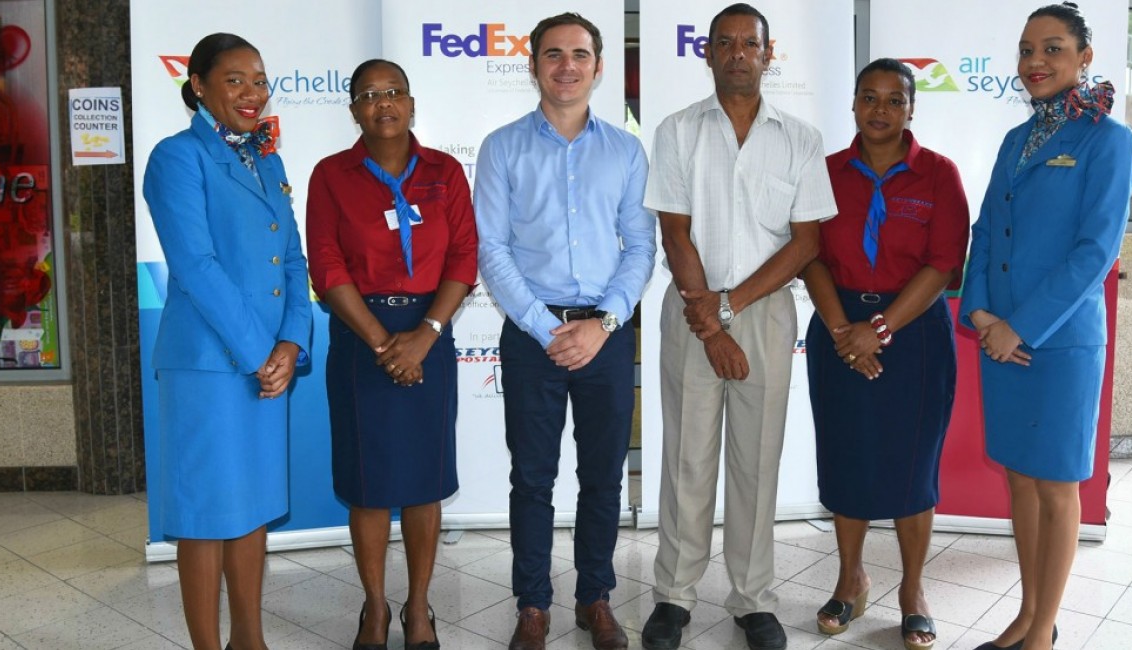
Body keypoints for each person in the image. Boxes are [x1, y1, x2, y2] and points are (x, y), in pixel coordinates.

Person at [642, 4, 836, 650]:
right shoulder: (677, 130)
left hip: (764, 313)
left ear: (767, 52)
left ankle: (753, 598)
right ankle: (673, 595)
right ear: (709, 54)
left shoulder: (800, 138)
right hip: (692, 310)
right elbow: (674, 230)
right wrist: (710, 317)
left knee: (757, 462)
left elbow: (806, 242)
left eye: (747, 44)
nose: (736, 54)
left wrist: (729, 309)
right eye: (723, 44)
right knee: (687, 461)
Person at [959, 4, 1132, 650]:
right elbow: (983, 232)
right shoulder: (1016, 141)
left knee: (1058, 488)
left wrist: (1020, 328)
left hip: (1057, 346)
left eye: (1053, 49)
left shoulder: (1109, 142)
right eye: (1027, 50)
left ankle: (1041, 635)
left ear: (1084, 58)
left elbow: (1095, 253)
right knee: (1020, 479)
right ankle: (1031, 613)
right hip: (998, 338)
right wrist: (980, 312)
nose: (1035, 62)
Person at [473, 13, 655, 650]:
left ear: (599, 67)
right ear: (534, 65)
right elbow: (491, 250)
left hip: (606, 336)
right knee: (533, 478)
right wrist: (547, 327)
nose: (567, 66)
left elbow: (639, 246)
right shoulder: (502, 147)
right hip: (533, 336)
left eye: (580, 54)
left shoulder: (626, 150)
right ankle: (533, 605)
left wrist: (602, 324)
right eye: (554, 54)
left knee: (604, 475)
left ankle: (595, 597)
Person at [141, 32, 312, 650]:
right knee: (207, 515)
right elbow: (195, 264)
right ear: (199, 86)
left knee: (254, 506)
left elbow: (293, 260)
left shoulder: (268, 160)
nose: (251, 92)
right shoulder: (176, 157)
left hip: (268, 364)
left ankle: (250, 639)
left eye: (260, 80)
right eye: (235, 79)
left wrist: (292, 344)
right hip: (209, 367)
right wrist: (261, 351)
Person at [306, 58, 477, 650]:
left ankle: (420, 607)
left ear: (411, 102)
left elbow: (463, 259)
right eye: (370, 94)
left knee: (424, 484)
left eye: (394, 92)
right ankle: (375, 607)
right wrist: (383, 343)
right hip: (362, 339)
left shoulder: (446, 172)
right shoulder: (331, 175)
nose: (384, 103)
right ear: (353, 109)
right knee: (370, 483)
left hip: (429, 333)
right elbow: (326, 267)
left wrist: (424, 335)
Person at [802, 58, 969, 650]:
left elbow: (945, 264)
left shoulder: (938, 175)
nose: (880, 110)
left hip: (914, 331)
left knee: (910, 466)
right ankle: (851, 579)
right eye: (868, 98)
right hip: (838, 325)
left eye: (894, 100)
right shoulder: (823, 174)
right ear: (852, 104)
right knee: (848, 459)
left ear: (911, 108)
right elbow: (810, 254)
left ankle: (913, 591)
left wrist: (880, 329)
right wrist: (845, 328)